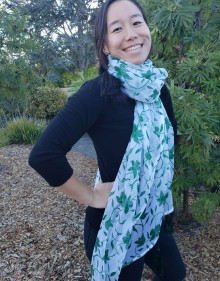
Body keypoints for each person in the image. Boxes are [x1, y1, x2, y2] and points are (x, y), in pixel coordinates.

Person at [29, 0, 186, 280]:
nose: (131, 34)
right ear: (104, 45)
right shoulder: (97, 94)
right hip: (114, 224)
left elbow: (171, 140)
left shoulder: (157, 88)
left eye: (137, 22)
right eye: (117, 28)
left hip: (152, 216)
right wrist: (90, 195)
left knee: (175, 273)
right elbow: (44, 155)